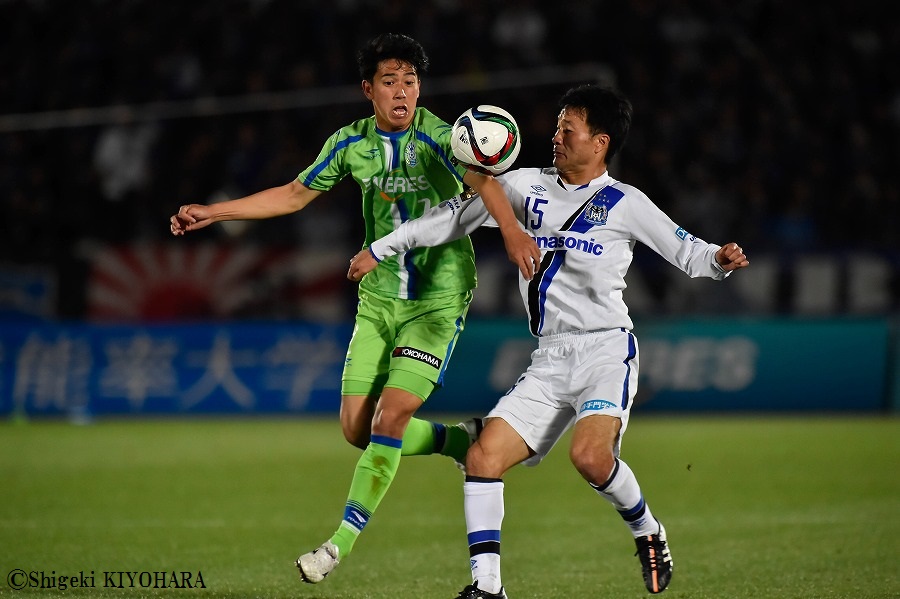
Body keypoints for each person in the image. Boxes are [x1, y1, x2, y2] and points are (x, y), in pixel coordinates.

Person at [348, 84, 750, 597]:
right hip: (550, 356)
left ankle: (647, 529)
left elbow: (687, 251)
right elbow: (448, 218)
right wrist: (382, 247)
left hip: (606, 349)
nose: (555, 137)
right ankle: (487, 587)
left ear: (600, 142)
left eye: (568, 129)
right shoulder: (521, 186)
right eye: (557, 126)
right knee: (483, 457)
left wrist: (718, 258)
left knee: (589, 458)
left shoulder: (626, 203)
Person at [169, 32, 541, 584]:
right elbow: (295, 194)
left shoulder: (440, 136)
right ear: (368, 90)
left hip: (437, 299)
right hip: (379, 300)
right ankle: (463, 439)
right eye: (390, 82)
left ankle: (338, 544)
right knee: (356, 429)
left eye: (410, 82)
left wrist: (510, 232)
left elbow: (484, 180)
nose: (402, 93)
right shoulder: (350, 144)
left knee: (392, 416)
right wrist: (216, 212)